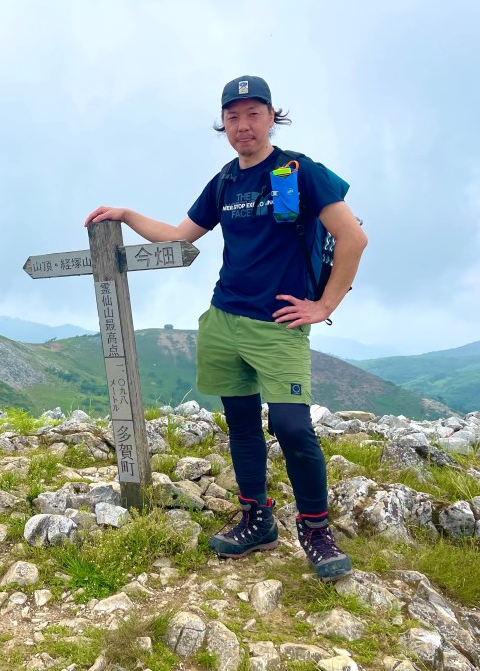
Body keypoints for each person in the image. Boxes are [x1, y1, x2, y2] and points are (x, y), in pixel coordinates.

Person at [84, 75, 367, 582]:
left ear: (271, 117)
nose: (243, 126)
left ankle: (316, 531)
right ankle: (257, 519)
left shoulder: (301, 172)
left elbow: (353, 238)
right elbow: (179, 234)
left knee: (293, 427)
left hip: (278, 325)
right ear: (224, 123)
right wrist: (126, 215)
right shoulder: (225, 181)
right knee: (240, 423)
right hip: (223, 319)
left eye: (253, 114)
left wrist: (324, 305)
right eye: (233, 117)